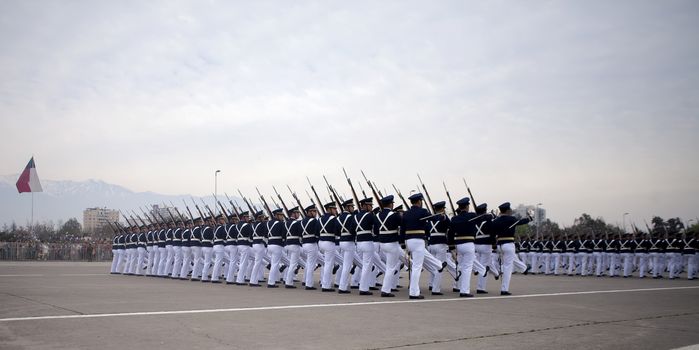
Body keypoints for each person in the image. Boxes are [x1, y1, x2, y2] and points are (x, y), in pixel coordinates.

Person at [401, 193, 444, 299]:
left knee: (425, 255)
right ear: (419, 201)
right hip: (418, 240)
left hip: (408, 241)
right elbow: (434, 219)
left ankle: (439, 265)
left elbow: (402, 229)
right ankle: (414, 293)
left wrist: (402, 243)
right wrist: (441, 216)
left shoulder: (406, 214)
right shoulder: (422, 211)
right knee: (416, 267)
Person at [491, 202, 531, 296]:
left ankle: (524, 268)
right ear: (508, 210)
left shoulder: (496, 221)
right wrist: (529, 218)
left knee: (512, 258)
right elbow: (521, 221)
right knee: (507, 267)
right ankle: (504, 289)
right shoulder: (511, 219)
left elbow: (492, 233)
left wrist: (494, 244)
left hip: (499, 245)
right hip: (508, 244)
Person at [376, 195, 402, 297]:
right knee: (391, 267)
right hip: (392, 243)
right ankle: (386, 290)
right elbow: (402, 224)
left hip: (382, 243)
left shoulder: (377, 215)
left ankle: (386, 288)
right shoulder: (394, 215)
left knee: (389, 267)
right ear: (391, 204)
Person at [355, 198, 379, 296]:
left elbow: (352, 229)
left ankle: (362, 285)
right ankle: (364, 288)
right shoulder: (370, 216)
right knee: (367, 266)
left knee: (365, 265)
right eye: (370, 205)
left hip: (359, 243)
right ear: (365, 205)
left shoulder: (356, 216)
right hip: (368, 242)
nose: (371, 207)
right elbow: (376, 227)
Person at [318, 202, 341, 292]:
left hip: (321, 242)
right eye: (334, 209)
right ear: (329, 209)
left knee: (326, 263)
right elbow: (338, 230)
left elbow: (317, 231)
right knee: (328, 264)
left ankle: (324, 283)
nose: (336, 210)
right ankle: (326, 286)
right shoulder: (333, 219)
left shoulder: (320, 218)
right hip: (329, 242)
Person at [337, 199, 358, 294]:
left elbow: (337, 231)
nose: (353, 208)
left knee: (345, 264)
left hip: (342, 241)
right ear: (347, 207)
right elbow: (354, 229)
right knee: (347, 265)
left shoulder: (339, 217)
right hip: (349, 241)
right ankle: (343, 287)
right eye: (352, 207)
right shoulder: (351, 217)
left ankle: (342, 285)